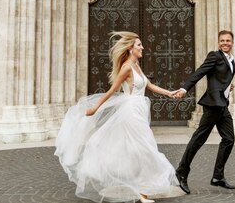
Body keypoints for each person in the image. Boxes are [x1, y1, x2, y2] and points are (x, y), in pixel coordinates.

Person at [55, 31, 178, 203]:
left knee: (138, 149)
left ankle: (141, 189)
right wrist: (96, 108)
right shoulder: (127, 67)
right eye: (139, 45)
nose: (142, 47)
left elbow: (149, 85)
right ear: (130, 48)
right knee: (144, 148)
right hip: (130, 112)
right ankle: (142, 192)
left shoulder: (136, 65)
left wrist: (170, 93)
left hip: (139, 109)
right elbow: (112, 90)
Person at [172, 30, 235, 194]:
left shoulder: (230, 60)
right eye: (222, 41)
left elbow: (221, 79)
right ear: (218, 42)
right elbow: (200, 72)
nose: (225, 43)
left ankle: (218, 177)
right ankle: (181, 172)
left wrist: (228, 87)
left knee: (229, 139)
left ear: (232, 42)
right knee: (198, 139)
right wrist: (184, 88)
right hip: (213, 105)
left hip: (222, 105)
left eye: (228, 41)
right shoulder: (214, 55)